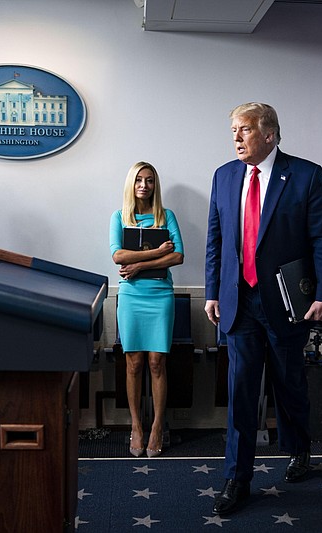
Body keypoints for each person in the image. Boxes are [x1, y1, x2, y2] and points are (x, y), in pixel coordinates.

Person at [204, 102, 322, 516]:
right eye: (233, 130)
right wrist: (212, 291)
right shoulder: (224, 176)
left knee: (289, 383)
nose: (236, 138)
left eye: (244, 130)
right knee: (241, 389)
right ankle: (237, 477)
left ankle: (299, 448)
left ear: (270, 134)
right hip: (239, 303)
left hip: (286, 301)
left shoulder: (306, 175)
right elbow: (216, 238)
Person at [109, 161, 184, 458]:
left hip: (160, 295)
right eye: (139, 180)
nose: (144, 185)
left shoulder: (166, 216)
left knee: (156, 363)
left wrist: (139, 262)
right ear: (132, 183)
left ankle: (156, 427)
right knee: (134, 363)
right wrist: (155, 253)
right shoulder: (119, 217)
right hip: (131, 297)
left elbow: (178, 257)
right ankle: (136, 426)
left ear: (155, 185)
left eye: (150, 180)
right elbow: (117, 255)